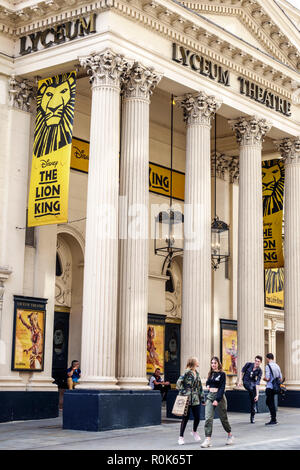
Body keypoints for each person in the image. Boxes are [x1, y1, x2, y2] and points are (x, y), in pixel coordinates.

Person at [201, 357, 234, 448]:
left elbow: (222, 388)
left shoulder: (222, 374)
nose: (213, 365)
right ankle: (208, 439)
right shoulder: (211, 373)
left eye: (215, 363)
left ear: (218, 363)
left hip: (219, 398)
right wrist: (208, 386)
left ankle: (230, 435)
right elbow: (208, 382)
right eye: (212, 363)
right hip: (210, 396)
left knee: (223, 418)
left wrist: (217, 400)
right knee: (208, 418)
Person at [176, 357, 205, 446]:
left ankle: (194, 431)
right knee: (185, 417)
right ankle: (181, 437)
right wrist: (184, 392)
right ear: (193, 363)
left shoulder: (197, 373)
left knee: (197, 417)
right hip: (187, 398)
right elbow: (178, 383)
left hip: (196, 398)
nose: (198, 362)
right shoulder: (186, 372)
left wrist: (202, 398)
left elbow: (200, 387)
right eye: (197, 361)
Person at [238, 355, 263, 423]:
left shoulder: (260, 371)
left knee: (253, 398)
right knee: (251, 388)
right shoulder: (248, 364)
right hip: (246, 382)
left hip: (253, 383)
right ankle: (254, 405)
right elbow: (242, 372)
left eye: (258, 361)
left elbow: (257, 383)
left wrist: (257, 395)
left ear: (260, 362)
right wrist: (240, 381)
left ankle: (252, 415)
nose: (256, 362)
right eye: (256, 361)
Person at [264, 353, 282, 425]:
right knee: (269, 402)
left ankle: (273, 419)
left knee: (269, 402)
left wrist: (263, 378)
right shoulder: (277, 366)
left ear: (268, 358)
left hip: (270, 387)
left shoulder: (268, 366)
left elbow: (267, 378)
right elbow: (280, 378)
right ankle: (273, 418)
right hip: (275, 387)